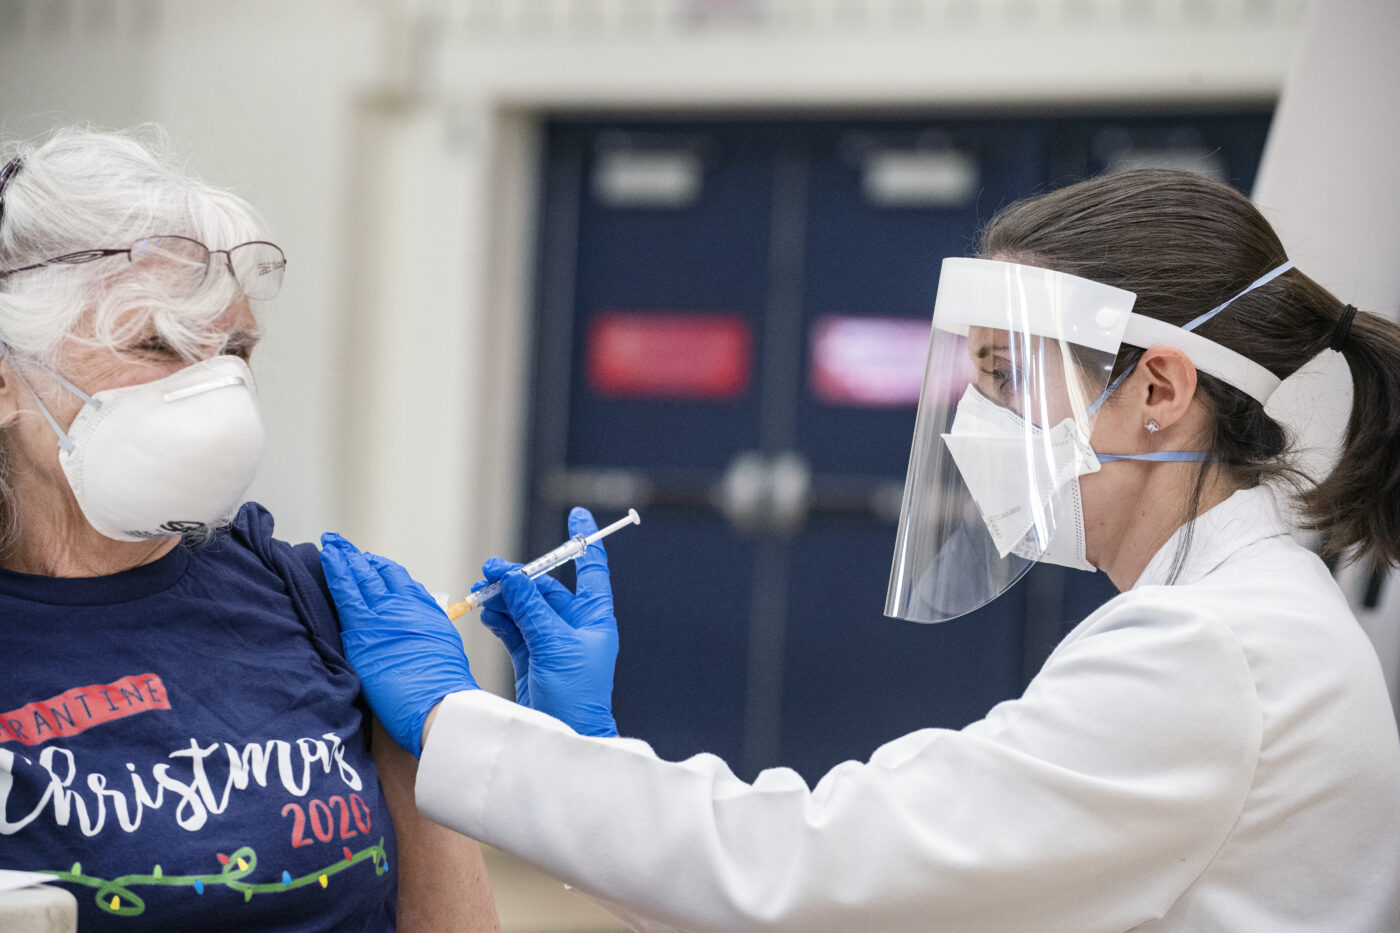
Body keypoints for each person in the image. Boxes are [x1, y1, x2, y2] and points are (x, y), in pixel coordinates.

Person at [319, 169, 1400, 932]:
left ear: (1158, 390)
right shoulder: (1247, 615)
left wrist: (463, 721)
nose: (977, 421)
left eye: (1006, 376)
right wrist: (585, 749)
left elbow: (815, 875)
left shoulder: (1206, 652)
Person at [0, 127, 499, 932]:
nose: (214, 390)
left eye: (234, 349)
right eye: (157, 344)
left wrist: (434, 734)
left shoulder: (311, 603)